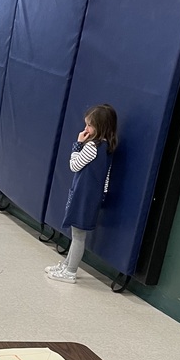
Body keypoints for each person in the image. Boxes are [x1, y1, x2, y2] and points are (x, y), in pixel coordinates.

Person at [46, 103, 118, 283]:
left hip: (83, 195)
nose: (85, 128)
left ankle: (70, 271)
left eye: (89, 125)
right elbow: (106, 176)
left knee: (78, 235)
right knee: (77, 232)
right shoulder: (107, 146)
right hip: (90, 195)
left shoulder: (92, 147)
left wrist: (77, 144)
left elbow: (74, 166)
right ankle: (67, 264)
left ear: (100, 127)